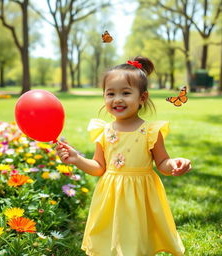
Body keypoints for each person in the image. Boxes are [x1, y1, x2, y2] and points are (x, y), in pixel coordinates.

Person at [56, 56, 192, 256]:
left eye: (126, 93)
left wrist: (174, 165)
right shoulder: (103, 131)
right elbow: (98, 167)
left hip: (141, 195)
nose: (117, 99)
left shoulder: (151, 131)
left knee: (137, 239)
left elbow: (162, 162)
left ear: (142, 98)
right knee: (112, 239)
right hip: (111, 196)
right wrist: (77, 159)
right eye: (110, 93)